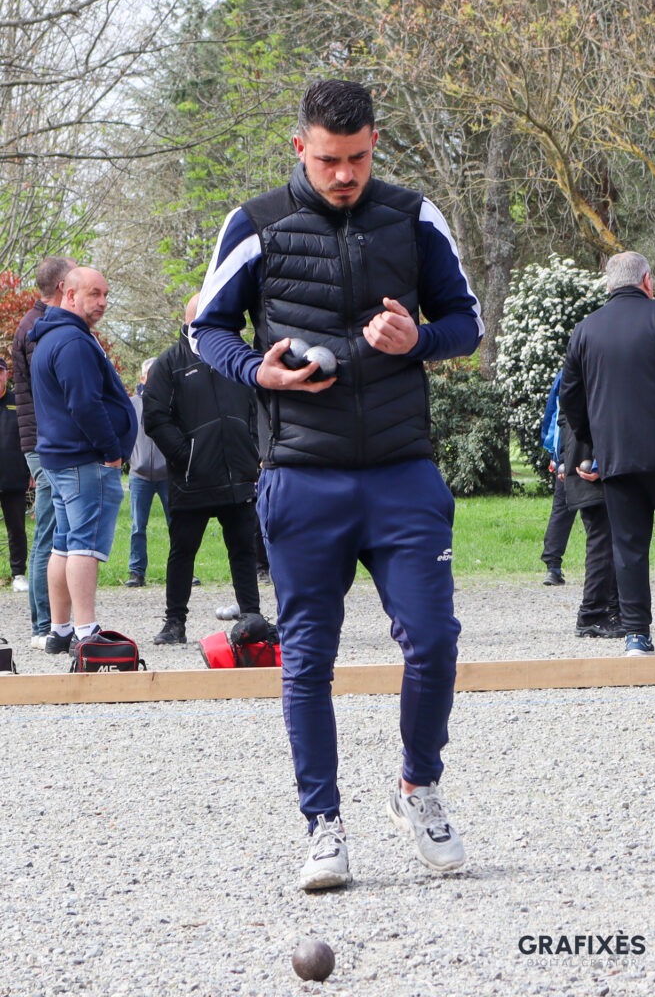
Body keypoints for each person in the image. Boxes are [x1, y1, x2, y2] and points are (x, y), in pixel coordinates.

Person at [191, 79, 484, 889]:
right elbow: (206, 327)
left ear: (374, 143)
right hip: (300, 475)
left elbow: (466, 323)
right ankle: (323, 826)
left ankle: (418, 787)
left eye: (356, 158)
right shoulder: (254, 223)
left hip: (402, 472)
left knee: (433, 639)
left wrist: (417, 339)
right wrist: (257, 371)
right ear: (300, 148)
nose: (345, 174)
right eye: (328, 160)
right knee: (306, 659)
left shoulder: (414, 215)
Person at [561, 251, 655, 655]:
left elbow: (571, 397)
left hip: (615, 457)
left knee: (628, 546)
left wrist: (592, 443)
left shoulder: (585, 330)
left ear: (609, 285)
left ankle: (636, 634)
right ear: (648, 281)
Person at [29, 266, 137, 655]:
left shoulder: (51, 336)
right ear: (69, 294)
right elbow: (84, 404)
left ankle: (59, 630)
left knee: (63, 543)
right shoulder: (73, 341)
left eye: (105, 294)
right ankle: (85, 630)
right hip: (84, 459)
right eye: (94, 294)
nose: (103, 302)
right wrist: (111, 451)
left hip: (61, 458)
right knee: (84, 545)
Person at [143, 294, 262, 645]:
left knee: (244, 550)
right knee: (182, 552)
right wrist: (186, 456)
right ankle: (174, 622)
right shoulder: (169, 363)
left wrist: (253, 449)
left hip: (239, 475)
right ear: (193, 320)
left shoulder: (236, 356)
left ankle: (253, 617)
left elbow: (257, 405)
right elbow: (155, 418)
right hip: (192, 479)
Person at [11, 256, 76, 646]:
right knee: (50, 533)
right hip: (44, 442)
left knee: (56, 531)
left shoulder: (40, 323)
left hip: (46, 440)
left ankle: (55, 620)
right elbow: (54, 388)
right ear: (63, 286)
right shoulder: (39, 328)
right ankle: (44, 625)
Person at [556, 408, 623, 639]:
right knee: (603, 540)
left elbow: (564, 415)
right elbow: (578, 412)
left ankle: (611, 610)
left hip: (585, 458)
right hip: (590, 463)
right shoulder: (589, 384)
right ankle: (592, 614)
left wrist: (564, 457)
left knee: (608, 538)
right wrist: (595, 459)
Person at [125, 357, 170, 587]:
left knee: (178, 525)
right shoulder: (131, 405)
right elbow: (122, 433)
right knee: (137, 526)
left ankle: (183, 571)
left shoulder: (172, 402)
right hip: (139, 475)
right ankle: (136, 572)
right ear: (143, 378)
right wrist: (130, 458)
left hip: (168, 475)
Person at [539, 370, 576, 585]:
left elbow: (553, 413)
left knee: (562, 507)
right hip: (591, 447)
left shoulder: (565, 373)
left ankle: (553, 566)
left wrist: (553, 452)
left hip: (566, 447)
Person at [0, 357, 30, 593]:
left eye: (0, 372)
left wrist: (31, 471)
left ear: (6, 374)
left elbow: (29, 438)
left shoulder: (18, 403)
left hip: (14, 478)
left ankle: (18, 574)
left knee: (17, 530)